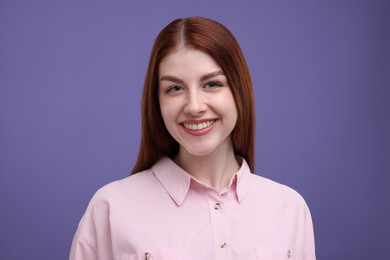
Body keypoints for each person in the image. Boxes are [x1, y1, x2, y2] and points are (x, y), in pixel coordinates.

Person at [69, 17, 316, 260]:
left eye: (212, 84)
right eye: (175, 89)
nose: (194, 106)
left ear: (239, 91)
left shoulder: (290, 209)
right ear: (157, 102)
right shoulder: (111, 209)